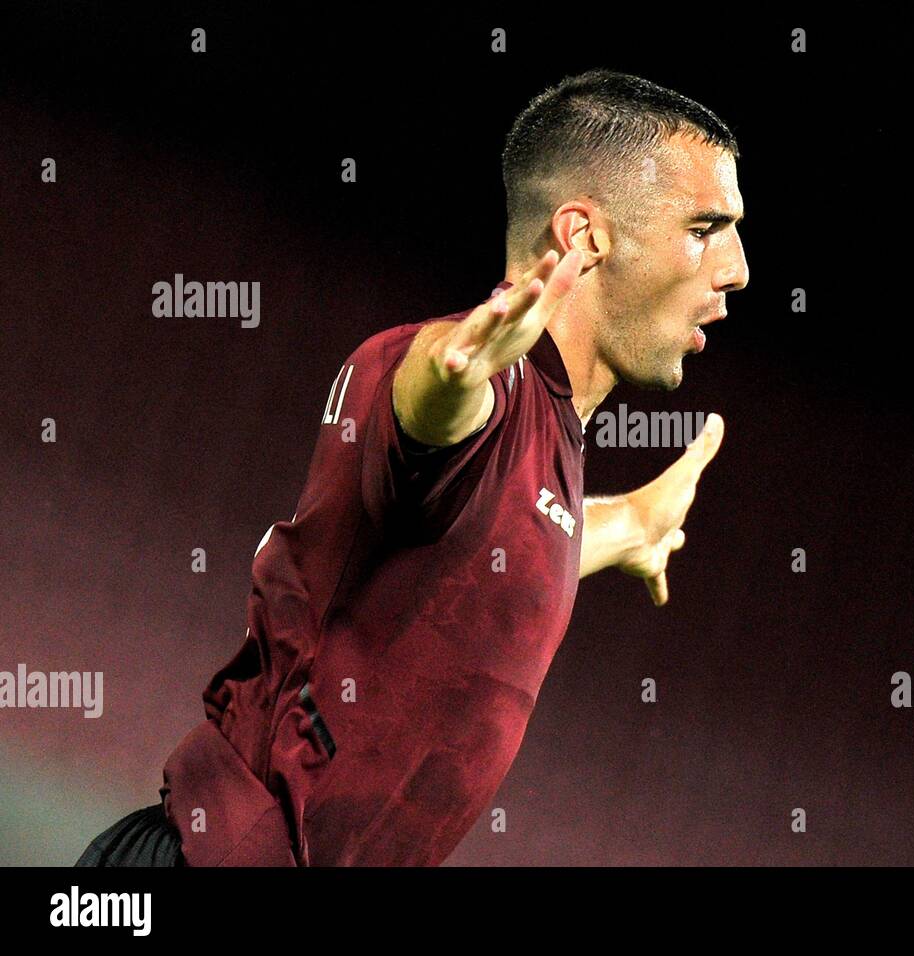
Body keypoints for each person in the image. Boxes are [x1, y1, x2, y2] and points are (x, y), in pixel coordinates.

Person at [76, 67, 747, 866]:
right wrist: (451, 372)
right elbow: (431, 411)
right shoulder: (475, 381)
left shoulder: (546, 438)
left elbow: (497, 545)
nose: (736, 267)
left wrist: (626, 524)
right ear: (583, 235)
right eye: (705, 227)